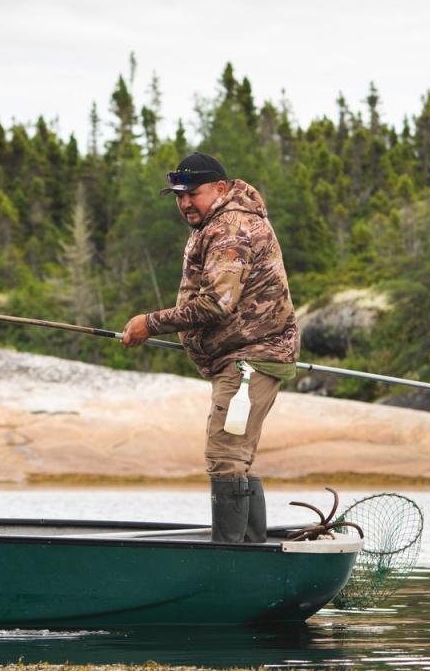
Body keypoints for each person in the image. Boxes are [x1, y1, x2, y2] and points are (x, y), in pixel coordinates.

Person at [121, 152, 299, 543]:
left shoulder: (229, 230)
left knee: (226, 457)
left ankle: (232, 560)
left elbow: (216, 303)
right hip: (246, 358)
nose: (185, 204)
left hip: (250, 361)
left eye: (192, 194)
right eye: (178, 196)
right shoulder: (220, 221)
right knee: (238, 458)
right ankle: (251, 552)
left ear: (220, 188)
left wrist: (147, 324)